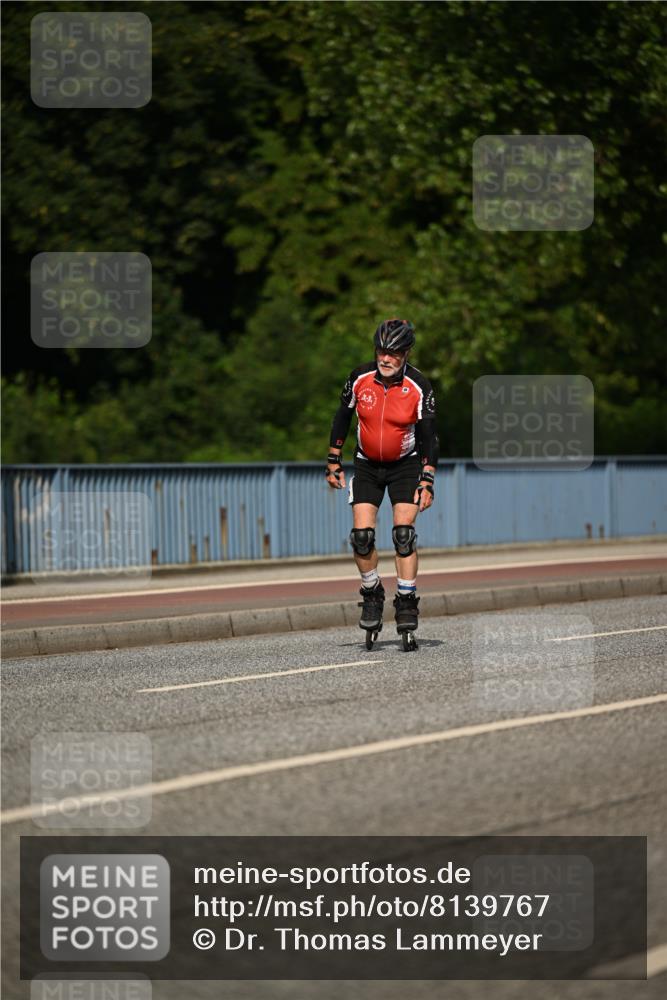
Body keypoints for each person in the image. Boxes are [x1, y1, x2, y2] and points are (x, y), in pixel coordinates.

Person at [325, 318, 439, 638]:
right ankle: (372, 592)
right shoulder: (359, 378)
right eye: (380, 351)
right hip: (366, 465)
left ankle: (406, 600)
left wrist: (427, 479)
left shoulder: (419, 386)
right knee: (361, 537)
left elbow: (430, 437)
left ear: (406, 353)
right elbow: (342, 417)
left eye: (394, 353)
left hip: (406, 465)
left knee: (403, 534)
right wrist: (333, 458)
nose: (385, 358)